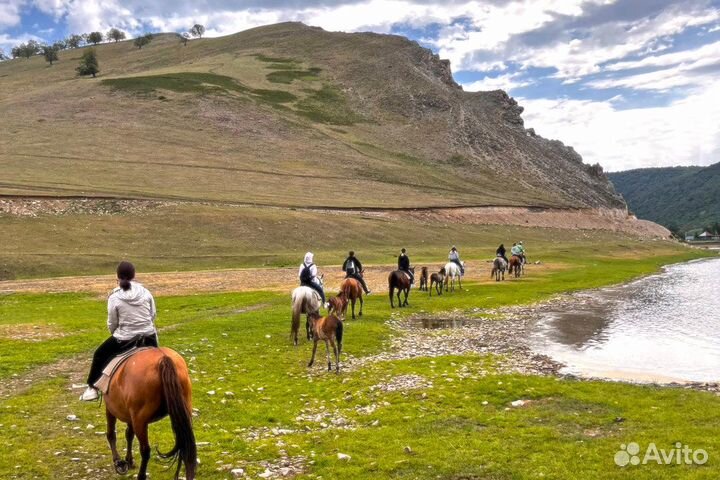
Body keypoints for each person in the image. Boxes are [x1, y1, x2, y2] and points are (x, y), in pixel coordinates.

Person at [80, 261, 158, 401]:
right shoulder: (146, 293)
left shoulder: (114, 297)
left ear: (117, 276)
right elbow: (153, 315)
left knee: (100, 354)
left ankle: (92, 387)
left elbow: (112, 322)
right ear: (134, 276)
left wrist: (115, 332)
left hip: (125, 339)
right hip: (148, 336)